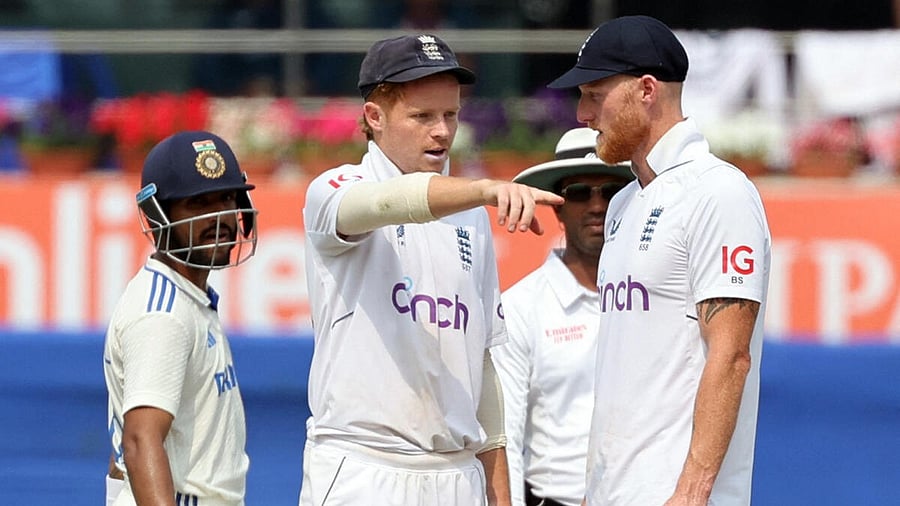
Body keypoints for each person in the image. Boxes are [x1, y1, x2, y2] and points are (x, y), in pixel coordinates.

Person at [300, 34, 564, 506]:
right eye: (422, 116)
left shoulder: (471, 214)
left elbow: (482, 365)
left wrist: (500, 496)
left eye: (451, 114)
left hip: (457, 475)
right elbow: (387, 202)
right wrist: (484, 188)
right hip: (364, 468)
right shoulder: (336, 188)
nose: (442, 131)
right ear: (374, 117)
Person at [547, 15, 772, 506]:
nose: (583, 114)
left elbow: (731, 356)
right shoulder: (624, 204)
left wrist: (692, 490)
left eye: (594, 95)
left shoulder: (719, 191)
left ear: (646, 90)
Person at [103, 130, 259, 506]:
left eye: (227, 198)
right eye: (198, 203)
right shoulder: (164, 314)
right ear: (157, 216)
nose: (219, 217)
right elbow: (139, 440)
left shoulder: (186, 297)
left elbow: (123, 451)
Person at [492, 127, 634, 506]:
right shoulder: (521, 306)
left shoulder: (658, 298)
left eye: (611, 191)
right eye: (579, 192)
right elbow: (504, 437)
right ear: (557, 205)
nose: (597, 205)